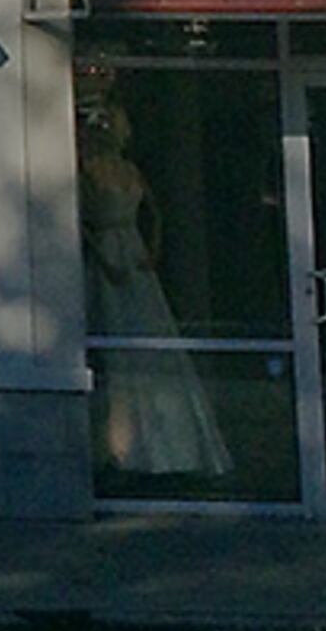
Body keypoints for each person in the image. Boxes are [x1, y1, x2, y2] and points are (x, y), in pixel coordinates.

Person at [81, 98, 231, 481]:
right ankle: (116, 448)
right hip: (110, 252)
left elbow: (155, 211)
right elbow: (80, 219)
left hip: (132, 251)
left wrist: (153, 246)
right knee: (114, 337)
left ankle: (169, 444)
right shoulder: (86, 169)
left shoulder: (129, 170)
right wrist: (103, 257)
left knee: (149, 337)